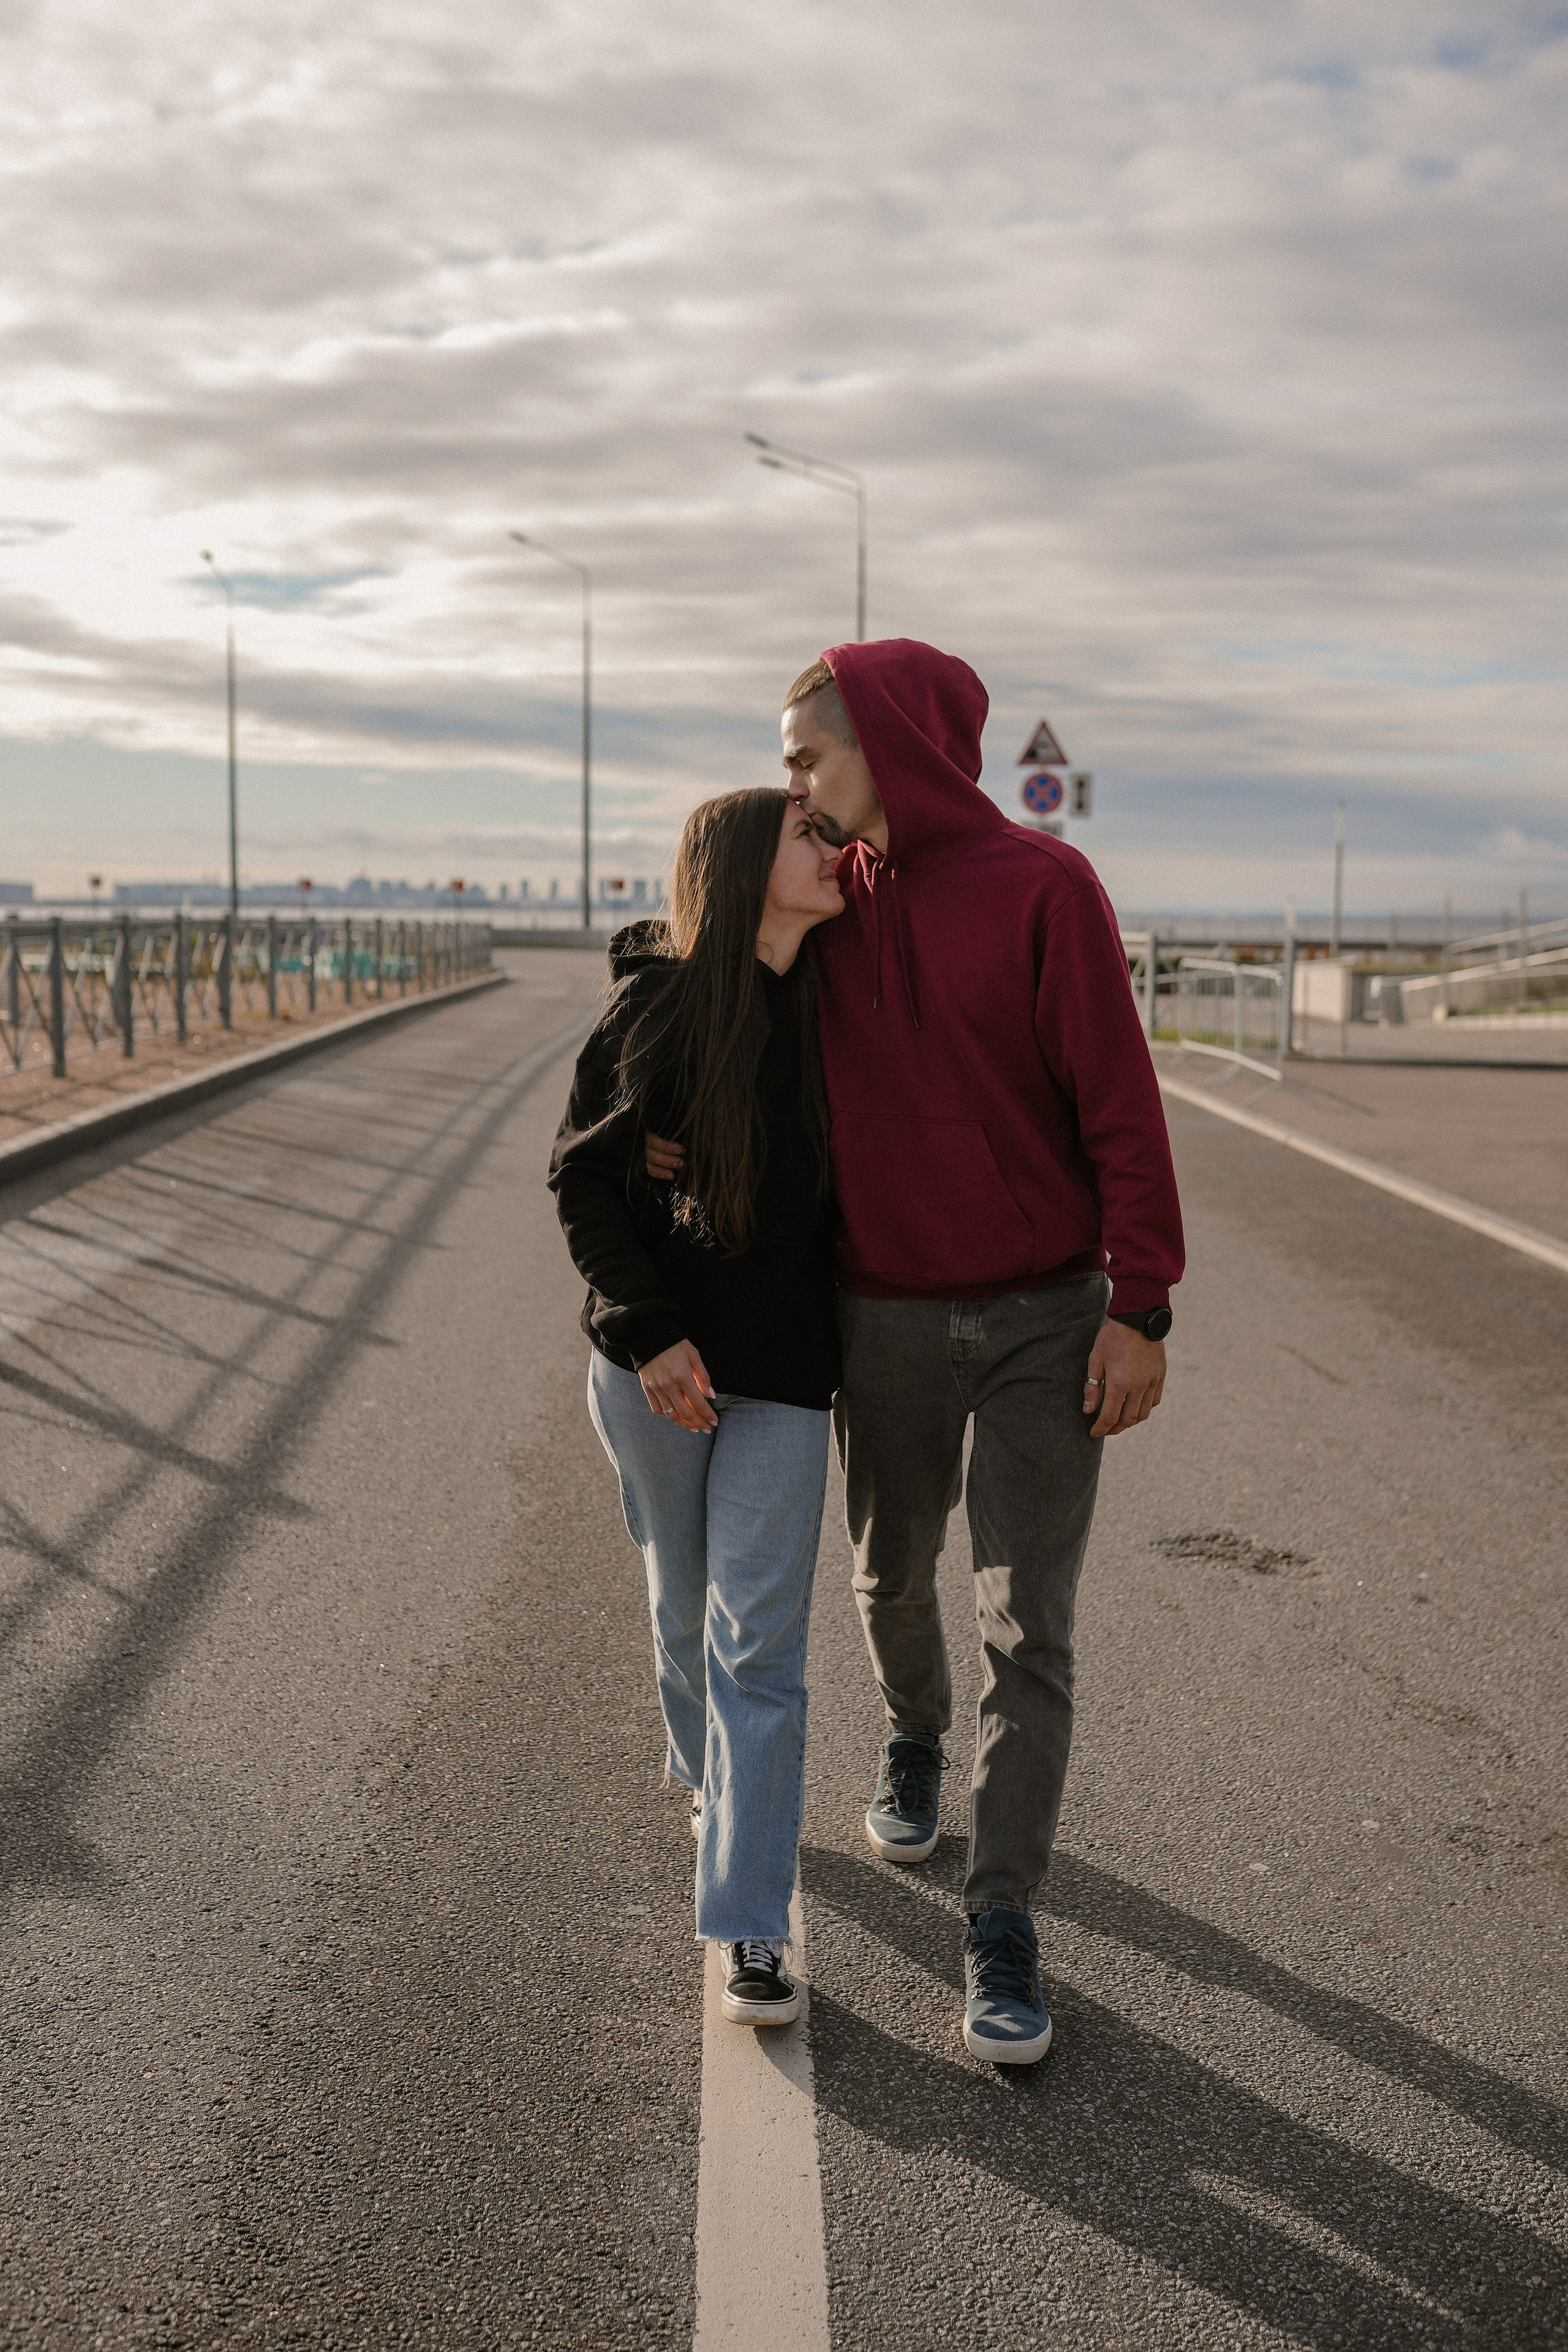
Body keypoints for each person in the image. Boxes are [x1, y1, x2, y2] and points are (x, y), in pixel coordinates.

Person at [647, 639, 1184, 2066]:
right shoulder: (831, 903)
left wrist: (1143, 1304)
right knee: (888, 1573)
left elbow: (1120, 1106)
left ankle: (1000, 1918)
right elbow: (713, 990)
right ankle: (911, 1737)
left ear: (887, 740)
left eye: (807, 757)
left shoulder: (1044, 891)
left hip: (1044, 1316)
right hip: (877, 1312)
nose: (794, 788)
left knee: (1029, 1619)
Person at [548, 786, 845, 2027]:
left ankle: (747, 1928)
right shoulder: (661, 1007)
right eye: (808, 834)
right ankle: (700, 1765)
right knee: (682, 1609)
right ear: (738, 868)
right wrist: (650, 1333)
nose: (834, 851)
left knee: (755, 1649)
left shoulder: (842, 1004)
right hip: (654, 1372)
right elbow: (581, 1181)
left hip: (783, 1371)